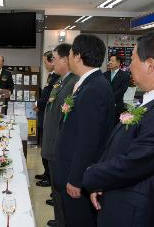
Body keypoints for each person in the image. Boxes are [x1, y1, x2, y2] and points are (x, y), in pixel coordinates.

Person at [83, 32, 154, 227]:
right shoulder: (146, 102)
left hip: (133, 211)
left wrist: (93, 174)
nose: (129, 65)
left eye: (133, 59)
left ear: (150, 65)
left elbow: (136, 161)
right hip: (118, 197)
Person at [54, 34, 115, 227]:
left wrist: (76, 179)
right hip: (70, 169)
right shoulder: (88, 84)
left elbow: (88, 140)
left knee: (78, 221)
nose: (69, 57)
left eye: (71, 53)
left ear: (78, 56)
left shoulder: (94, 89)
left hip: (77, 177)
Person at [41, 44, 78, 227]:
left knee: (61, 191)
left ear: (65, 59)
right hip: (52, 144)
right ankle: (59, 220)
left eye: (55, 58)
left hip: (58, 148)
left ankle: (63, 222)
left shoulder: (73, 84)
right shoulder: (61, 81)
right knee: (56, 190)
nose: (52, 62)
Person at [34, 51, 60, 187]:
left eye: (45, 62)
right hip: (43, 114)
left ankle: (49, 177)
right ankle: (46, 173)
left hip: (48, 115)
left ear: (52, 61)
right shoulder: (51, 76)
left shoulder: (58, 77)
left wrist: (39, 104)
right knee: (44, 146)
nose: (45, 65)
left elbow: (50, 95)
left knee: (48, 147)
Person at [103, 55, 130, 123]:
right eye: (109, 60)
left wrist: (109, 97)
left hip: (117, 106)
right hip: (105, 106)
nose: (110, 62)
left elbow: (122, 90)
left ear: (118, 63)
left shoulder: (125, 75)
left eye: (112, 61)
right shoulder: (104, 74)